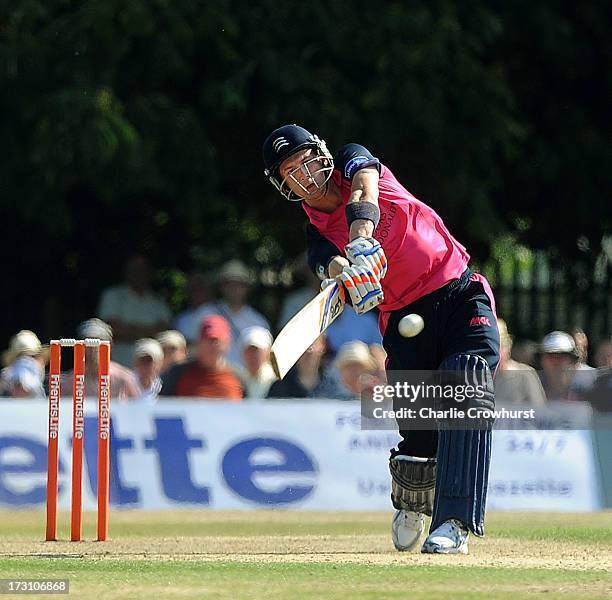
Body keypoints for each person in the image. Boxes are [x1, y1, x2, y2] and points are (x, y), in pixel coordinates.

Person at [262, 124, 500, 554]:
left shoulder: (354, 160)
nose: (307, 172)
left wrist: (360, 238)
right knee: (420, 428)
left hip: (459, 291)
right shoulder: (316, 237)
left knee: (466, 384)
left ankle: (453, 522)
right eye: (291, 170)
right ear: (284, 186)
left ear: (322, 152)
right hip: (404, 315)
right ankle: (413, 503)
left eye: (307, 158)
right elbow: (328, 267)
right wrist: (346, 274)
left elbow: (363, 191)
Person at [97, 254, 172, 366]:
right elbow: (111, 330)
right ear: (126, 272)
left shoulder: (157, 301)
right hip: (119, 365)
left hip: (150, 370)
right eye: (134, 269)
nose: (138, 273)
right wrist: (150, 332)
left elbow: (164, 333)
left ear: (149, 273)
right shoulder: (112, 296)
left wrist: (128, 329)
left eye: (142, 270)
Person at [196, 260, 270, 366]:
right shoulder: (205, 313)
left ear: (247, 287)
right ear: (222, 286)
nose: (235, 289)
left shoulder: (258, 320)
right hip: (215, 375)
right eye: (230, 284)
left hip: (247, 379)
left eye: (240, 284)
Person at [161, 315, 243, 400]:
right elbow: (162, 406)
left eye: (216, 341)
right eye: (208, 340)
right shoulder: (177, 374)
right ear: (199, 342)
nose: (212, 345)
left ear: (227, 344)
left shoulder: (240, 377)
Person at [266, 334, 349, 399]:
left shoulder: (334, 385)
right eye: (303, 343)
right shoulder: (279, 388)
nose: (309, 349)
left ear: (323, 345)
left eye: (313, 343)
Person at [494, 319, 546, 405]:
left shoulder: (525, 375)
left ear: (509, 346)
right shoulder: (476, 378)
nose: (495, 353)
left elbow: (539, 413)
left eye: (500, 346)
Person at [234, 326, 277, 398]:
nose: (253, 355)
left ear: (268, 352)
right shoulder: (234, 378)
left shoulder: (277, 379)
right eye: (249, 350)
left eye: (257, 351)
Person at [173, 272, 214, 346]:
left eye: (201, 287)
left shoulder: (218, 314)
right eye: (193, 288)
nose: (197, 291)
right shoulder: (181, 319)